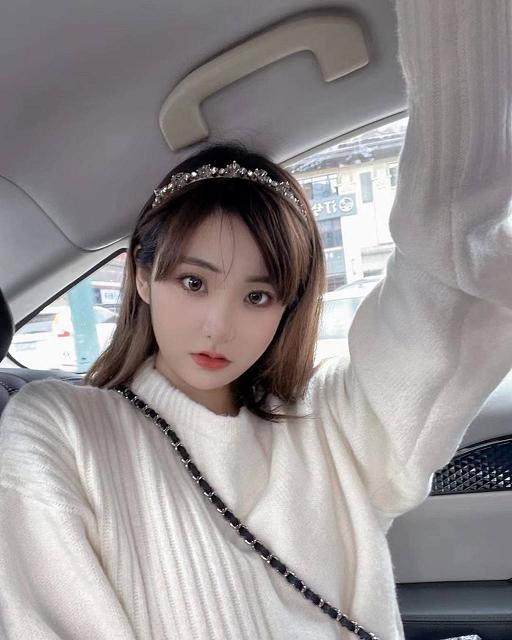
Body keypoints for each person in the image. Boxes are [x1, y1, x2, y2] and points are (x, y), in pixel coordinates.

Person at [1, 1, 511, 638]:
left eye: (258, 296)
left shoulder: (335, 423)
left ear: (287, 305)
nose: (218, 326)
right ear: (142, 277)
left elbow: (452, 258)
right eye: (194, 283)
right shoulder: (58, 428)